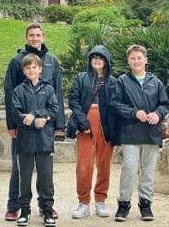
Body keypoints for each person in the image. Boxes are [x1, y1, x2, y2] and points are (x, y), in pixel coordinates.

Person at [4, 22, 65, 221]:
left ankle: (45, 206)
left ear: (43, 37)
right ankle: (14, 206)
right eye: (31, 35)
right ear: (26, 37)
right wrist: (12, 124)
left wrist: (59, 124)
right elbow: (10, 94)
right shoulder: (16, 61)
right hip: (23, 125)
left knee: (45, 168)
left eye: (38, 35)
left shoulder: (51, 61)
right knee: (20, 167)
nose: (35, 38)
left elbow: (57, 93)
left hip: (45, 126)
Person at [109, 45, 169, 222]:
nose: (136, 61)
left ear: (145, 60)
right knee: (129, 168)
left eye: (139, 58)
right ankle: (123, 204)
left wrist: (157, 114)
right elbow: (115, 104)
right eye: (133, 58)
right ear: (128, 61)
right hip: (130, 132)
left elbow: (164, 104)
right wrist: (134, 112)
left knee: (148, 171)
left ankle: (145, 204)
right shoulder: (122, 81)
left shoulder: (155, 82)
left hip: (151, 133)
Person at [68, 45, 117, 219]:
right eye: (94, 56)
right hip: (85, 124)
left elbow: (116, 105)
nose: (97, 59)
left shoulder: (113, 82)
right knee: (84, 165)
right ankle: (83, 202)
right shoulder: (81, 78)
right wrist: (82, 122)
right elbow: (73, 100)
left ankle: (100, 200)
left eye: (101, 57)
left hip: (106, 125)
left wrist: (114, 129)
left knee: (104, 164)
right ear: (90, 60)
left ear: (106, 61)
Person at [11, 54, 59, 226]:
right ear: (24, 71)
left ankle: (47, 210)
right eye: (28, 68)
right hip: (25, 140)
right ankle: (24, 210)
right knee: (24, 177)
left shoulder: (49, 89)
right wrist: (34, 122)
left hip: (44, 140)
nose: (31, 70)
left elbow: (54, 109)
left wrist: (36, 115)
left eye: (34, 67)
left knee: (46, 178)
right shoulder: (18, 91)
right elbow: (16, 115)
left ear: (40, 69)